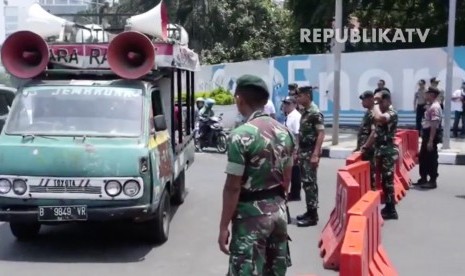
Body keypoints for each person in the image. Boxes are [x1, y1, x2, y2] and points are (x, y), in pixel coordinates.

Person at [218, 74, 295, 275]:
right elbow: (287, 178)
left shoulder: (240, 136)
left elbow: (233, 187)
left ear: (239, 99)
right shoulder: (285, 132)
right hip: (278, 214)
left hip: (250, 220)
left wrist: (223, 227)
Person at [294, 86, 325, 227]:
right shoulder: (305, 112)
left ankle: (313, 216)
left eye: (299, 96)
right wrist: (298, 151)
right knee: (306, 183)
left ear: (307, 95)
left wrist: (315, 154)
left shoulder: (314, 112)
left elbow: (321, 134)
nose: (297, 98)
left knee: (310, 184)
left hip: (310, 152)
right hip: (304, 152)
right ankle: (309, 211)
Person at [372, 90, 398, 220]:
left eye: (382, 102)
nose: (379, 104)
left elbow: (380, 119)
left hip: (388, 151)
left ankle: (391, 208)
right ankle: (388, 206)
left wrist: (375, 104)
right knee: (384, 180)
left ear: (388, 101)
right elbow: (376, 131)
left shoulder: (391, 113)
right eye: (378, 102)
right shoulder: (382, 113)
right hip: (381, 150)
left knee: (388, 181)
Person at [415, 87, 443, 189]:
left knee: (431, 158)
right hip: (427, 133)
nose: (425, 95)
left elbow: (434, 124)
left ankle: (432, 180)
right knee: (423, 157)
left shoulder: (435, 107)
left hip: (431, 134)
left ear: (431, 94)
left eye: (427, 93)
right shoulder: (430, 106)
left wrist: (431, 140)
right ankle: (423, 178)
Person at [282, 96, 302, 201]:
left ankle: (295, 193)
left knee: (295, 171)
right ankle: (293, 193)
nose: (285, 105)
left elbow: (298, 134)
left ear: (294, 105)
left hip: (293, 147)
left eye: (288, 103)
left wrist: (296, 150)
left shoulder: (295, 116)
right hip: (288, 147)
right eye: (285, 103)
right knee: (292, 170)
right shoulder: (289, 116)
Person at [356, 90, 376, 190]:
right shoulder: (369, 112)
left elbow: (374, 132)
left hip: (369, 150)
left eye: (365, 100)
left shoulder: (374, 113)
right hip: (365, 149)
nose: (363, 102)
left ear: (371, 99)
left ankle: (371, 194)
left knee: (370, 173)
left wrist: (366, 145)